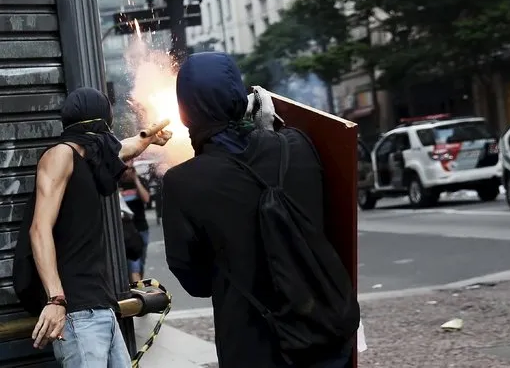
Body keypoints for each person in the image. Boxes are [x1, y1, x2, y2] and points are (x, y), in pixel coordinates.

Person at [162, 52, 353, 368]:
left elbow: (196, 283)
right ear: (242, 96)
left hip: (250, 347)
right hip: (324, 334)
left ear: (186, 113)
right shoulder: (298, 145)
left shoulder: (182, 183)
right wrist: (270, 131)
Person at [27, 87, 171, 366]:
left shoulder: (90, 158)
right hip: (77, 312)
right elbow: (39, 229)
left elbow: (122, 147)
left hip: (100, 307)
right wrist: (56, 299)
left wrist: (147, 138)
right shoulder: (60, 155)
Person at [119, 161, 151, 282]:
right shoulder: (117, 183)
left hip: (141, 227)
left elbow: (146, 198)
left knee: (140, 262)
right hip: (126, 230)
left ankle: (137, 284)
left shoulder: (140, 180)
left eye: (130, 169)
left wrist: (136, 180)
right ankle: (136, 289)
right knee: (134, 265)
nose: (127, 172)